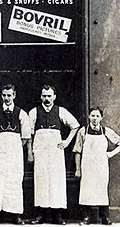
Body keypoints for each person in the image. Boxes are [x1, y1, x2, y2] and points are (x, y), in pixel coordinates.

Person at [27, 84, 79, 225]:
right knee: (41, 180)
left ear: (54, 97)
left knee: (56, 181)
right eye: (44, 96)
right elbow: (29, 134)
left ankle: (57, 215)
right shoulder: (34, 112)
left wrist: (67, 142)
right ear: (40, 97)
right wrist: (30, 152)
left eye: (49, 96)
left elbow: (75, 125)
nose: (47, 99)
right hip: (40, 149)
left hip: (55, 150)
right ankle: (41, 215)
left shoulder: (60, 111)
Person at [0, 84, 30, 225]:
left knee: (14, 181)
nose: (6, 98)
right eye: (4, 95)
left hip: (15, 152)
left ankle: (15, 215)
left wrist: (14, 147)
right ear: (1, 96)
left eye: (9, 95)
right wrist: (1, 145)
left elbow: (25, 136)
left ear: (14, 95)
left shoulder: (22, 113)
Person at [73, 107, 120, 225]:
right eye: (92, 116)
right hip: (87, 165)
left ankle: (105, 217)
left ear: (101, 118)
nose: (95, 119)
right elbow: (77, 151)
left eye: (97, 116)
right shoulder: (83, 131)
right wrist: (77, 169)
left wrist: (110, 154)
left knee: (101, 190)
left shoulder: (106, 131)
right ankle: (86, 217)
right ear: (89, 117)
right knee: (86, 190)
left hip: (101, 166)